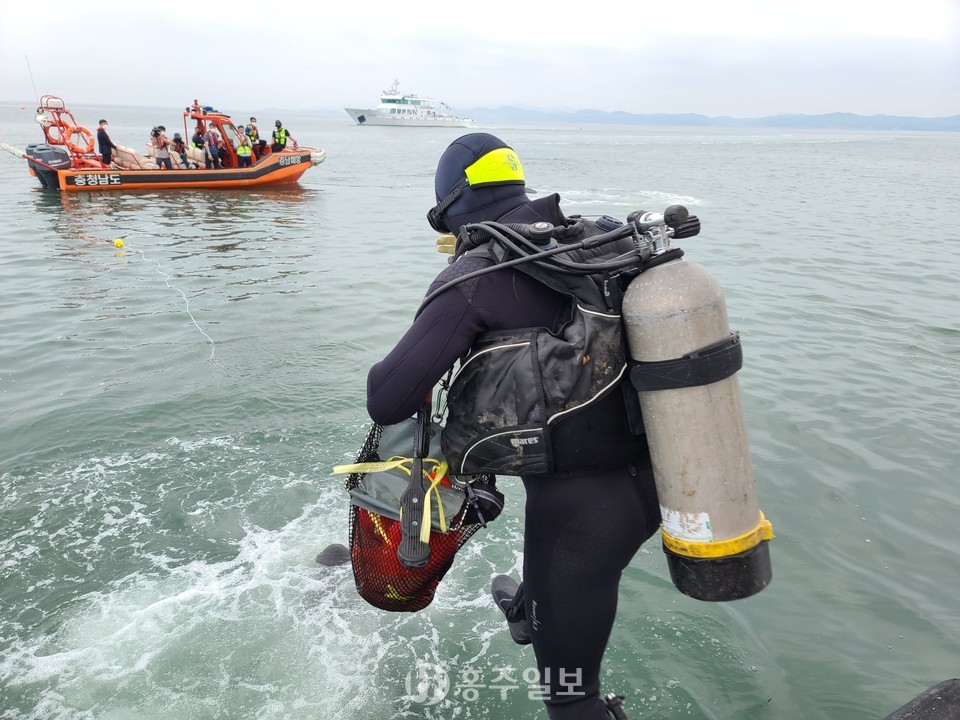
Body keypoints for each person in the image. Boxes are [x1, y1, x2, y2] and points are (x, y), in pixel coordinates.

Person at [365, 133, 660, 720]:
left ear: (453, 208)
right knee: (556, 592)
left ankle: (548, 624)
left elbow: (387, 397)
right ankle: (530, 610)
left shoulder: (478, 274)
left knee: (570, 698)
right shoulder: (587, 243)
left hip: (581, 519)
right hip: (656, 483)